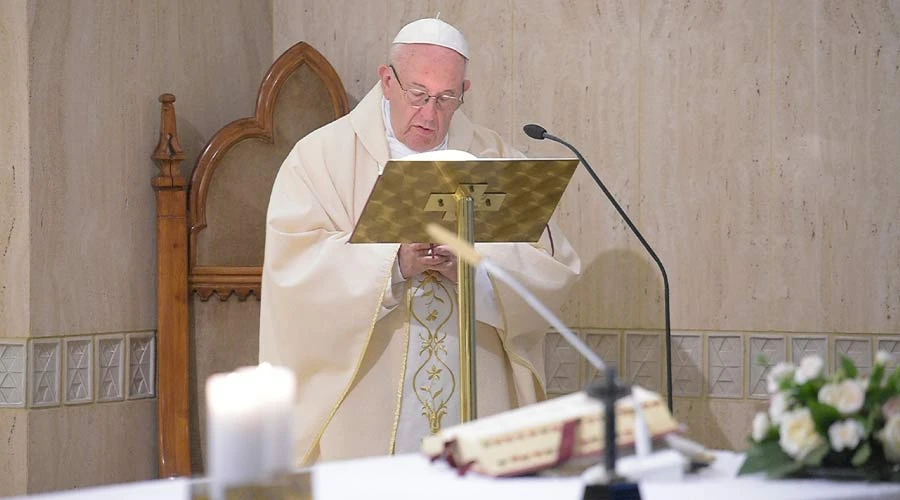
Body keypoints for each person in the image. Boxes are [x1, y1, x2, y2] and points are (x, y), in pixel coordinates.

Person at [259, 17, 581, 466]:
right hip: (365, 408)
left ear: (463, 92)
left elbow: (551, 266)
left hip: (477, 395)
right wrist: (391, 263)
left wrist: (476, 270)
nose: (429, 114)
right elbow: (292, 271)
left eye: (447, 98)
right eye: (418, 94)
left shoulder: (495, 158)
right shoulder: (320, 159)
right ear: (386, 80)